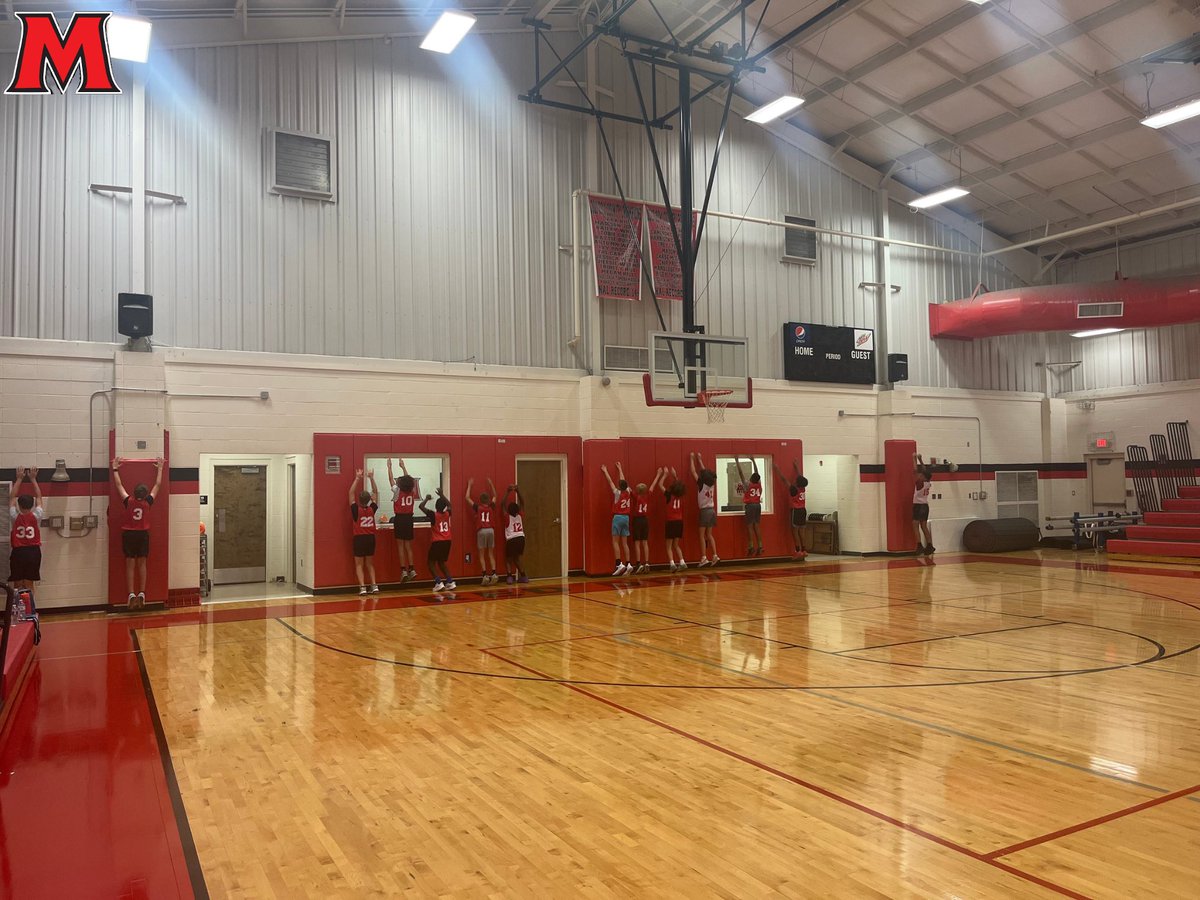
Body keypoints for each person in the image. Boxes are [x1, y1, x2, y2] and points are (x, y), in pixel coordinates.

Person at [112, 456, 164, 608]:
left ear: (134, 493)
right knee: (142, 565)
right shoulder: (148, 502)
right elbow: (158, 485)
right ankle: (142, 593)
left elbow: (119, 485)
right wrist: (160, 468)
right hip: (142, 534)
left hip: (129, 534)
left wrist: (115, 468)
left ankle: (131, 594)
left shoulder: (128, 501)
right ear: (146, 494)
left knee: (130, 565)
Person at [8, 467, 44, 594]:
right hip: (33, 551)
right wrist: (33, 479)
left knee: (17, 584)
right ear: (32, 505)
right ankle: (30, 610)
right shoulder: (37, 515)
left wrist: (19, 478)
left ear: (19, 505)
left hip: (18, 552)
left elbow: (12, 498)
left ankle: (16, 610)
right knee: (29, 583)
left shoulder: (14, 516)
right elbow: (39, 497)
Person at [349, 469, 380, 596]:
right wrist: (371, 478)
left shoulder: (356, 510)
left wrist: (357, 478)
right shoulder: (372, 509)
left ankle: (362, 587)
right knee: (370, 564)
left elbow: (350, 493)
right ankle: (374, 585)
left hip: (359, 538)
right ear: (369, 500)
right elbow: (376, 492)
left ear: (359, 500)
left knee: (359, 564)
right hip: (370, 538)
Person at [387, 458, 418, 582]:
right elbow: (409, 481)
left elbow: (390, 479)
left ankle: (403, 571)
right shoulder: (412, 492)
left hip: (399, 519)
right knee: (408, 546)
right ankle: (412, 569)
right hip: (409, 519)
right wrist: (403, 467)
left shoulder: (397, 491)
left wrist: (389, 467)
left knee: (400, 546)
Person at [419, 488, 456, 593]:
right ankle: (450, 581)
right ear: (444, 507)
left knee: (430, 563)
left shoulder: (433, 515)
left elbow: (421, 506)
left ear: (436, 506)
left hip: (438, 541)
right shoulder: (447, 514)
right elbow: (450, 505)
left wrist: (426, 498)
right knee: (441, 563)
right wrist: (442, 495)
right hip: (447, 541)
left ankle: (438, 582)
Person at [601, 462, 633, 576]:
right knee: (625, 542)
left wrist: (605, 471)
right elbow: (624, 480)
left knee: (615, 541)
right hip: (626, 518)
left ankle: (619, 564)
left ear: (619, 486)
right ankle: (629, 564)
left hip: (618, 517)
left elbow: (610, 482)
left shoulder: (617, 493)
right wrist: (620, 469)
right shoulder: (628, 491)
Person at [466, 476, 499, 585]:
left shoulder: (478, 508)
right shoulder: (491, 507)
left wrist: (469, 485)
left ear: (480, 500)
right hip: (491, 530)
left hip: (482, 530)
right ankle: (494, 574)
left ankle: (484, 575)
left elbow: (467, 498)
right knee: (490, 553)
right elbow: (495, 495)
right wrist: (491, 484)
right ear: (488, 500)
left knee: (481, 554)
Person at [773, 460, 808, 560]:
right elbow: (800, 477)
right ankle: (804, 550)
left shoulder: (794, 489)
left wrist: (777, 469)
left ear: (797, 482)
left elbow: (784, 480)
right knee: (802, 531)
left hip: (796, 511)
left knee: (795, 531)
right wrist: (796, 467)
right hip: (803, 510)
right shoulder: (803, 488)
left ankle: (797, 551)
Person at [689, 451, 719, 567]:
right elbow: (706, 472)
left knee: (701, 535)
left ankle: (704, 557)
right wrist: (700, 460)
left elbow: (693, 471)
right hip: (712, 510)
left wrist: (692, 459)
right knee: (709, 535)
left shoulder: (701, 484)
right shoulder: (712, 483)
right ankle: (715, 555)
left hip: (704, 511)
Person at [734, 457, 764, 557]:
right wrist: (754, 461)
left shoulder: (748, 484)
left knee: (750, 526)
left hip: (750, 506)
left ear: (751, 478)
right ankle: (760, 545)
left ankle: (751, 546)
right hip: (758, 505)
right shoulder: (759, 484)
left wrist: (737, 461)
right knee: (757, 526)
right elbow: (757, 472)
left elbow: (741, 473)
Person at [631, 471, 659, 574]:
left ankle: (638, 563)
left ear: (637, 490)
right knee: (645, 542)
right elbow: (653, 486)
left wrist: (621, 471)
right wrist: (658, 475)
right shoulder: (647, 495)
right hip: (645, 520)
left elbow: (627, 487)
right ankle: (647, 562)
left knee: (637, 543)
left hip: (637, 520)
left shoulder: (635, 496)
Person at [660, 468, 686, 572]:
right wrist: (675, 476)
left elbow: (660, 485)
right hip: (679, 522)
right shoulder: (680, 496)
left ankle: (672, 564)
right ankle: (682, 561)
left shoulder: (669, 496)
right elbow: (679, 485)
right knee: (676, 545)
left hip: (671, 521)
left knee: (669, 546)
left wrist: (665, 475)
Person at [503, 484, 528, 584]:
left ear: (508, 510)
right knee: (517, 558)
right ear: (518, 510)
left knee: (508, 559)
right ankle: (524, 576)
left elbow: (502, 504)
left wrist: (508, 492)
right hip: (521, 538)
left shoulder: (507, 517)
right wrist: (518, 491)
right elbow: (522, 502)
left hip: (512, 538)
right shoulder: (520, 516)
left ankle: (509, 577)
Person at [913, 453, 935, 555]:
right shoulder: (928, 483)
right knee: (924, 526)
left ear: (924, 477)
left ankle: (919, 546)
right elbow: (924, 470)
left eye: (921, 475)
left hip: (918, 505)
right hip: (925, 506)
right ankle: (930, 545)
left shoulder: (920, 483)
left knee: (915, 525)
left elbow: (915, 470)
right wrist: (920, 460)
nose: (920, 475)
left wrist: (914, 459)